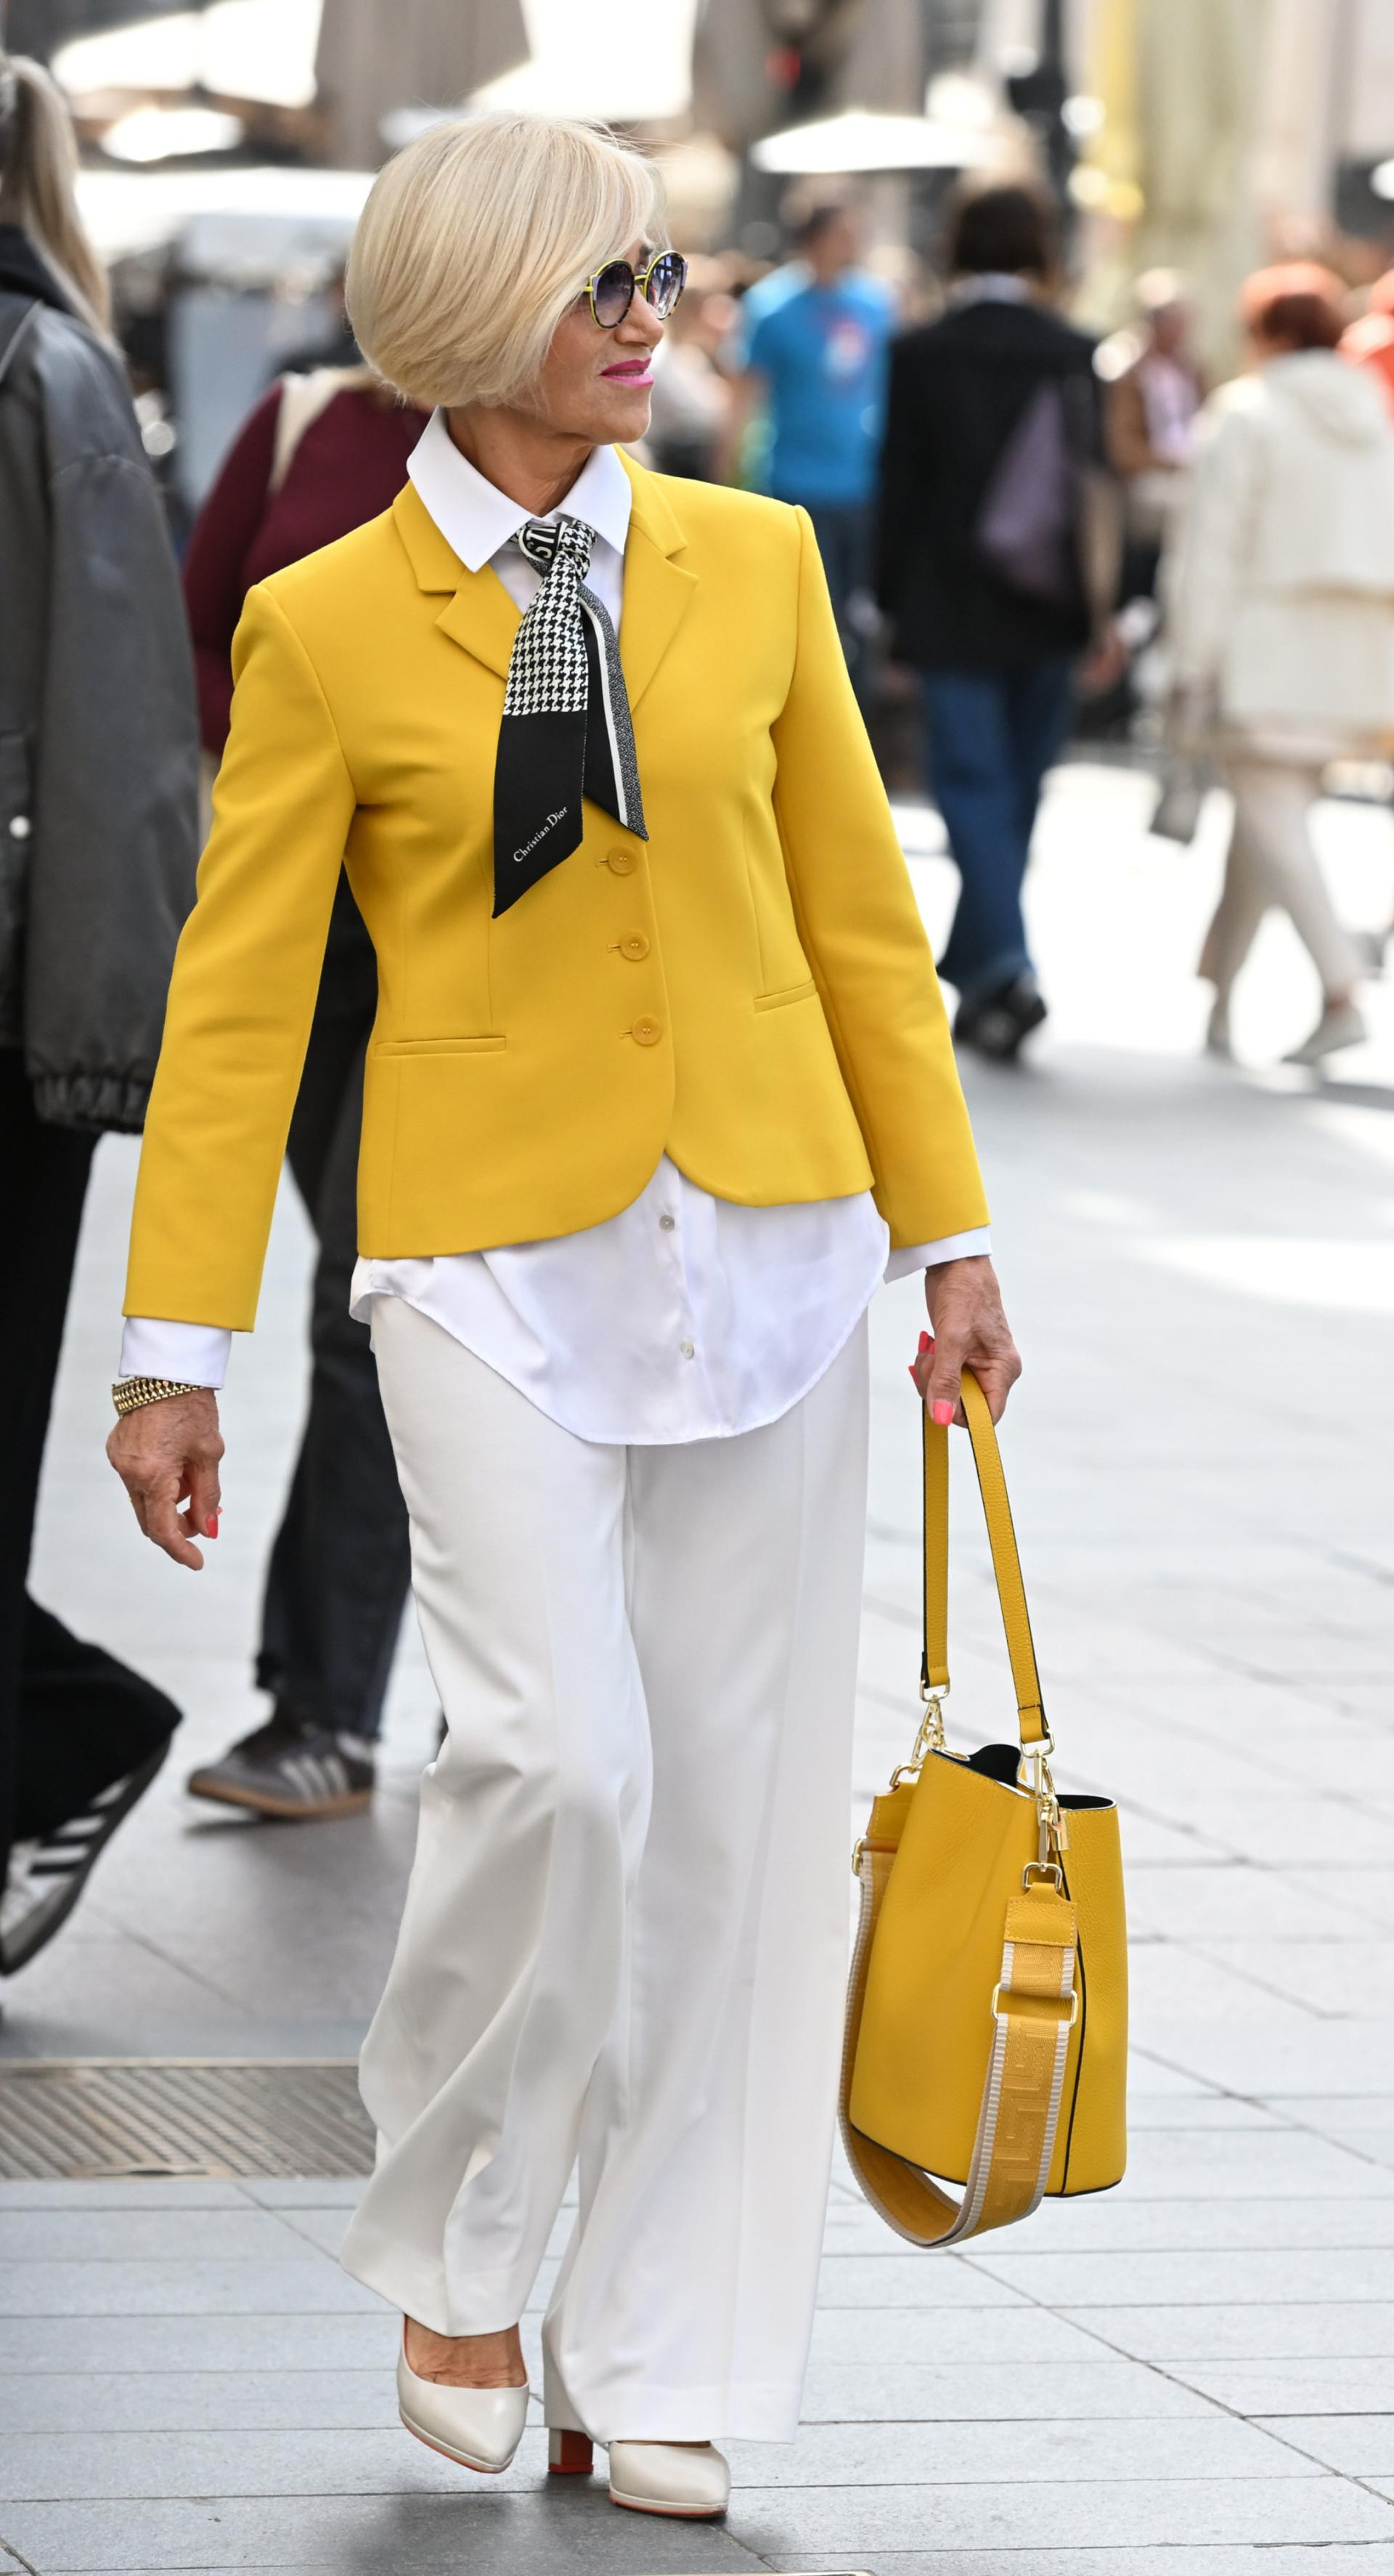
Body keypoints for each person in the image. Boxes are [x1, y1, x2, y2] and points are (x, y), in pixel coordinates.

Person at [107, 110, 1016, 2521]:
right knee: (556, 1765)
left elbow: (860, 926)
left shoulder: (758, 560)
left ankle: (661, 2342)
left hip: (776, 1246)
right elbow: (237, 1002)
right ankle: (460, 2236)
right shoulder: (322, 618)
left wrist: (948, 1238)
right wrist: (177, 1349)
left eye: (660, 275)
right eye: (602, 282)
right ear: (466, 308)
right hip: (480, 1260)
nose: (651, 320)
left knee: (732, 1824)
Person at [0, 54, 197, 1975]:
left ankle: (64, 1731)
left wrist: (89, 1052)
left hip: (12, 1027)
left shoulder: (39, 373)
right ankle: (65, 1726)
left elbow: (127, 740)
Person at [171, 362, 428, 1819]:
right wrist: (304, 735)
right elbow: (195, 632)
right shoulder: (305, 421)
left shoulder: (560, 446)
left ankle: (327, 1707)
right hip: (298, 907)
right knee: (391, 1300)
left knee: (364, 1303)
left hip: (449, 934)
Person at [876, 179, 1106, 1060]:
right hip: (1053, 602)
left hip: (947, 601)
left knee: (975, 785)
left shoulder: (922, 351)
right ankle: (995, 970)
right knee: (1019, 788)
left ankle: (994, 967)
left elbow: (899, 486)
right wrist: (1110, 608)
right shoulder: (1073, 351)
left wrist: (886, 603)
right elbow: (1098, 490)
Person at [1166, 264, 1394, 1066]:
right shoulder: (1374, 415)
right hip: (1358, 658)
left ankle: (1341, 989)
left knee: (1272, 823)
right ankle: (1220, 997)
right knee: (1265, 827)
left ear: (1266, 333)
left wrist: (1189, 663)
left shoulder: (1249, 413)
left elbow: (1209, 552)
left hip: (1263, 651)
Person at [722, 195, 895, 690]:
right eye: (843, 232)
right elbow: (745, 398)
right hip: (794, 485)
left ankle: (859, 718)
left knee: (861, 618)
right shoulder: (771, 307)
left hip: (863, 483)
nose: (854, 242)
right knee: (809, 622)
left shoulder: (875, 304)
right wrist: (727, 475)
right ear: (814, 238)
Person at [1103, 269, 1205, 603]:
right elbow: (1123, 448)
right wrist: (1173, 463)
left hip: (1186, 470)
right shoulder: (1124, 370)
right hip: (1146, 478)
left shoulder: (1190, 369)